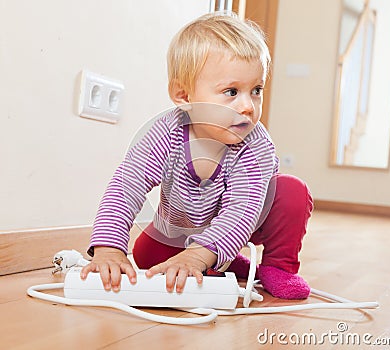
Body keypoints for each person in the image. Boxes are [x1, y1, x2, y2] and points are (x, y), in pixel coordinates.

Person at [80, 12, 313, 300]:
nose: (248, 106)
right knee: (146, 256)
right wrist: (109, 248)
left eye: (256, 90)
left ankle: (278, 268)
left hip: (244, 224)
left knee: (292, 191)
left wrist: (197, 256)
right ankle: (222, 262)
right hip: (181, 228)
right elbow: (125, 188)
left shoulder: (256, 146)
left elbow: (241, 212)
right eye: (231, 91)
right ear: (184, 96)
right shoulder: (164, 134)